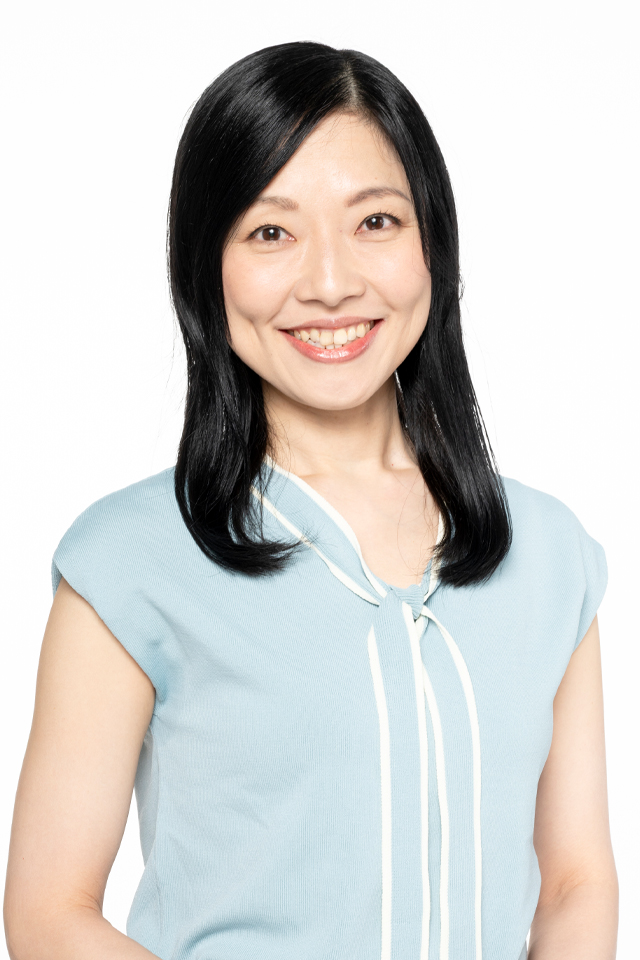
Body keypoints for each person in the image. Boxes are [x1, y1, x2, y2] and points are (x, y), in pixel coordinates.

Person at [4, 41, 618, 960]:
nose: (330, 283)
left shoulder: (549, 553)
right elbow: (49, 912)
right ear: (206, 266)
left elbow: (575, 884)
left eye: (375, 221)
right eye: (270, 232)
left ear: (432, 245)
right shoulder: (129, 562)